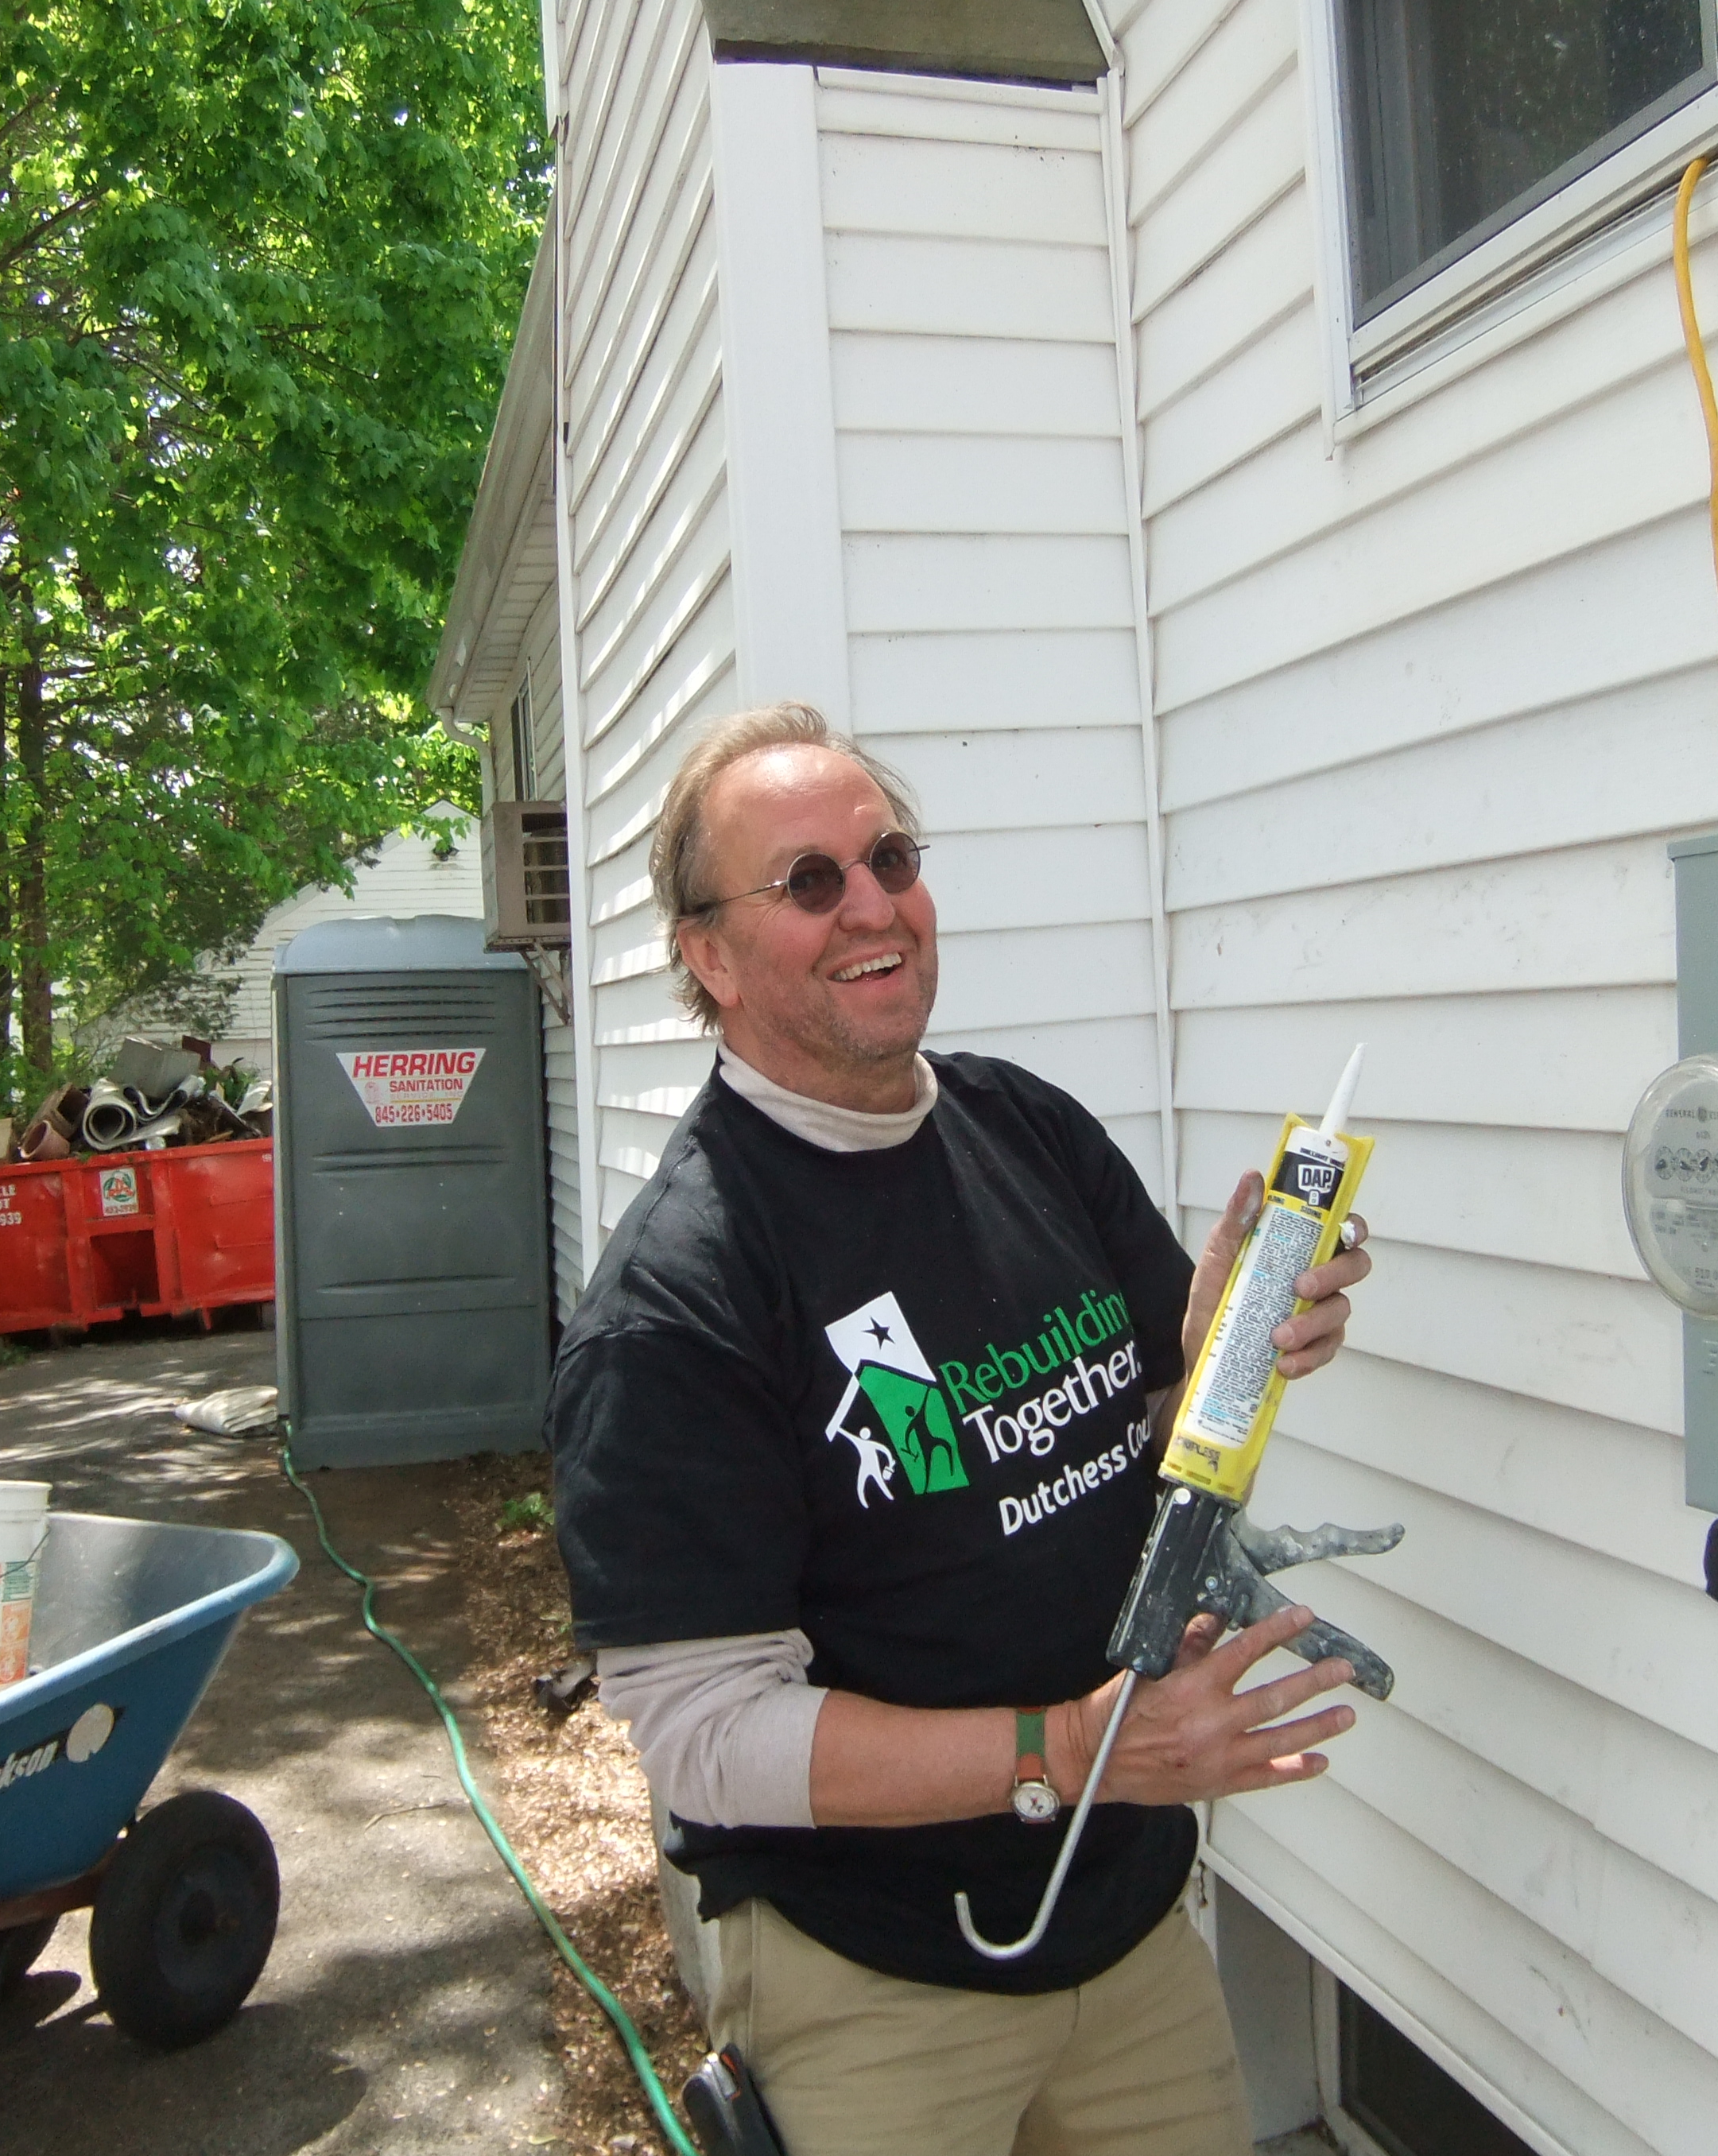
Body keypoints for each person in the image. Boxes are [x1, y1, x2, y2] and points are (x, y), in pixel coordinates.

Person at [547, 703, 1373, 2156]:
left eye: (891, 858)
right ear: (710, 957)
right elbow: (706, 1739)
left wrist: (1230, 1355)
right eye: (809, 882)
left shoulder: (1028, 1130)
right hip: (877, 1989)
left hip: (1123, 1930)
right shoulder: (681, 1298)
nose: (872, 905)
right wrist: (1069, 1746)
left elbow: (1137, 1433)